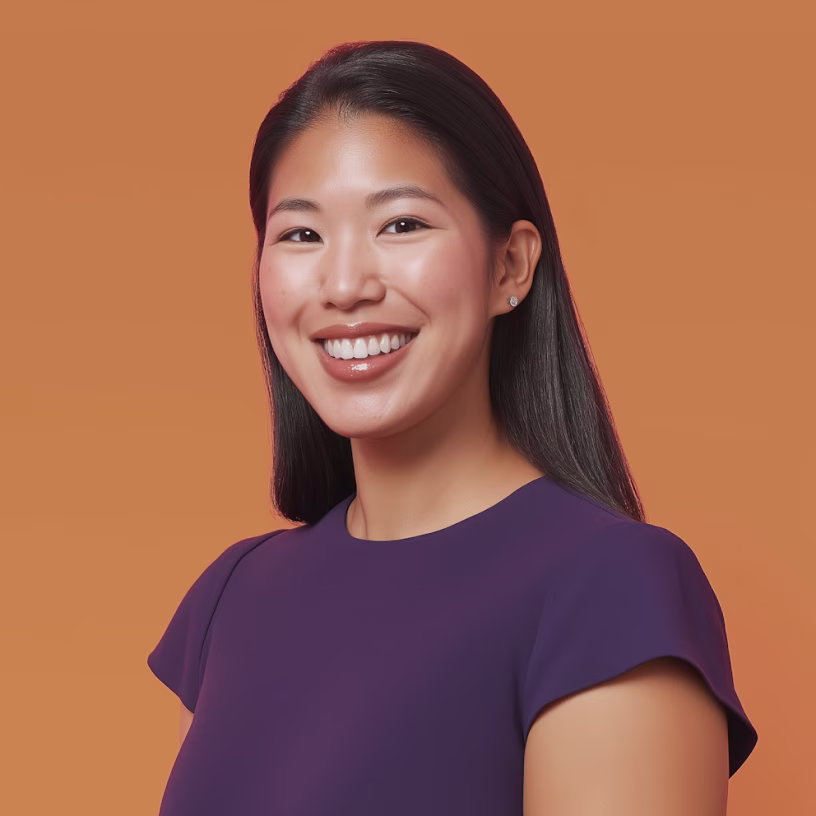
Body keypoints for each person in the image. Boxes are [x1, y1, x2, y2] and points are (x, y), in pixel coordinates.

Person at [147, 39, 758, 815]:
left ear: (511, 266)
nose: (343, 286)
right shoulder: (232, 599)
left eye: (401, 225)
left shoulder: (612, 593)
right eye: (300, 235)